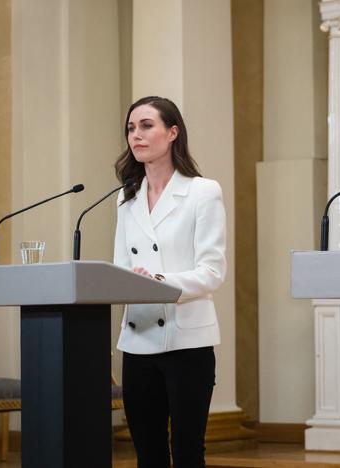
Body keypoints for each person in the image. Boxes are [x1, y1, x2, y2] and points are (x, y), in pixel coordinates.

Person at [113, 96, 226, 468]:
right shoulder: (125, 198)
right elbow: (120, 267)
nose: (136, 135)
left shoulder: (202, 191)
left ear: (172, 132)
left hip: (187, 340)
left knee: (188, 451)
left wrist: (157, 280)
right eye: (131, 128)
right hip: (138, 338)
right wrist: (127, 281)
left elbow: (212, 271)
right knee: (148, 454)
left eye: (146, 125)